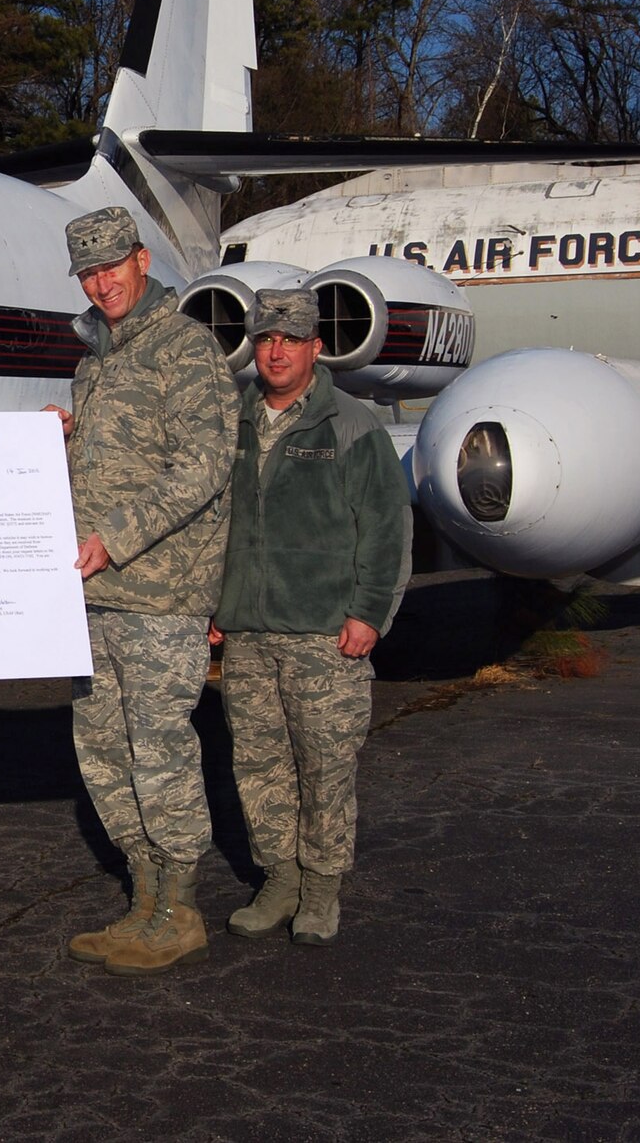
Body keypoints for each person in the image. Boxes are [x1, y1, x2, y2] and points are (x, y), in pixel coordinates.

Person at [56, 205, 239, 977]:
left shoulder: (184, 349)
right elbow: (105, 465)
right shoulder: (94, 363)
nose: (103, 283)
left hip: (160, 593)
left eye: (113, 266)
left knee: (159, 745)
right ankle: (142, 896)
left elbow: (204, 464)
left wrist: (118, 536)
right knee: (102, 748)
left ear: (141, 260)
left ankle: (181, 907)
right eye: (89, 273)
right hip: (92, 595)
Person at [210, 288, 411, 947]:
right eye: (267, 338)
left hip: (326, 632)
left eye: (291, 339)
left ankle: (321, 887)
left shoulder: (350, 425)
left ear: (315, 348)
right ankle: (279, 879)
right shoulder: (230, 421)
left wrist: (370, 612)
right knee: (259, 765)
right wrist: (217, 605)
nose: (276, 351)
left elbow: (386, 527)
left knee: (325, 766)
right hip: (248, 632)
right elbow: (212, 525)